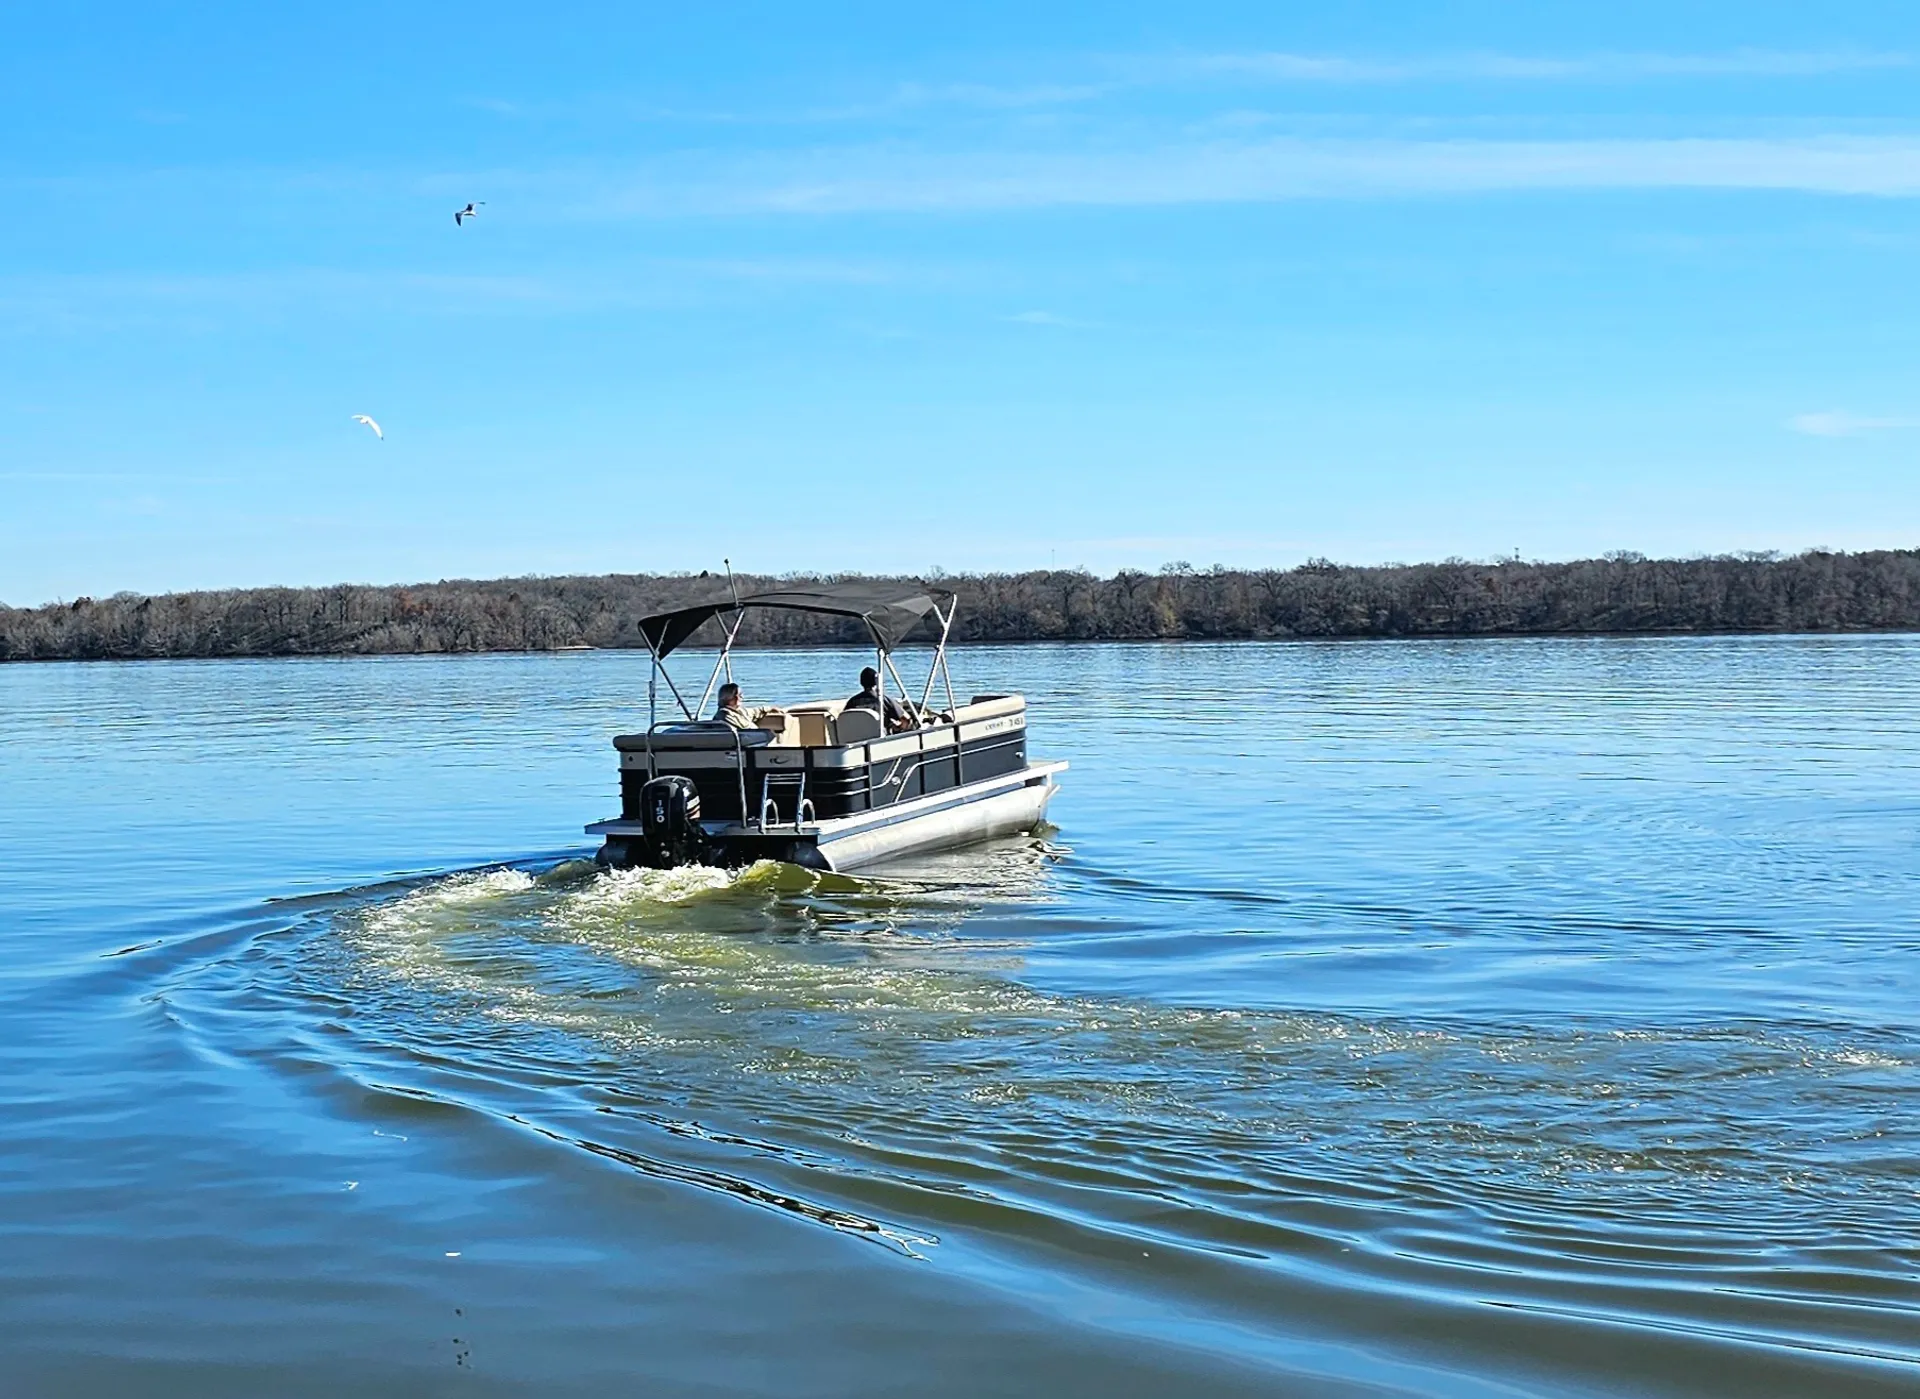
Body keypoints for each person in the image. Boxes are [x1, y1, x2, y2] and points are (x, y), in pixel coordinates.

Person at [844, 665, 914, 732]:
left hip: (855, 738)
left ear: (861, 682)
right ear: (877, 681)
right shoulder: (884, 700)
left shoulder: (852, 702)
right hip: (879, 738)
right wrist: (898, 728)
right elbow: (906, 720)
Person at [714, 682, 781, 730]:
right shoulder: (724, 715)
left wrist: (770, 708)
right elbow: (746, 728)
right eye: (740, 695)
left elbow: (755, 711)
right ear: (731, 697)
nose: (742, 697)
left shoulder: (740, 711)